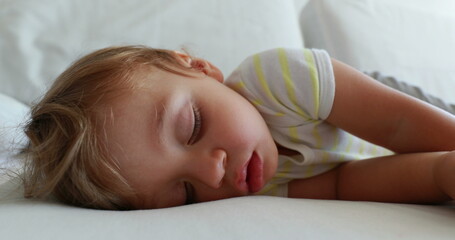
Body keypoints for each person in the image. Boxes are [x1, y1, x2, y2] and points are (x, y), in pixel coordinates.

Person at [22, 45, 455, 210]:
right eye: (185, 192)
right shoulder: (251, 191)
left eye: (192, 127)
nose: (212, 175)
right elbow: (345, 183)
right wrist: (438, 174)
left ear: (199, 68)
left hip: (401, 104)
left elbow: (399, 124)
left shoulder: (278, 78)